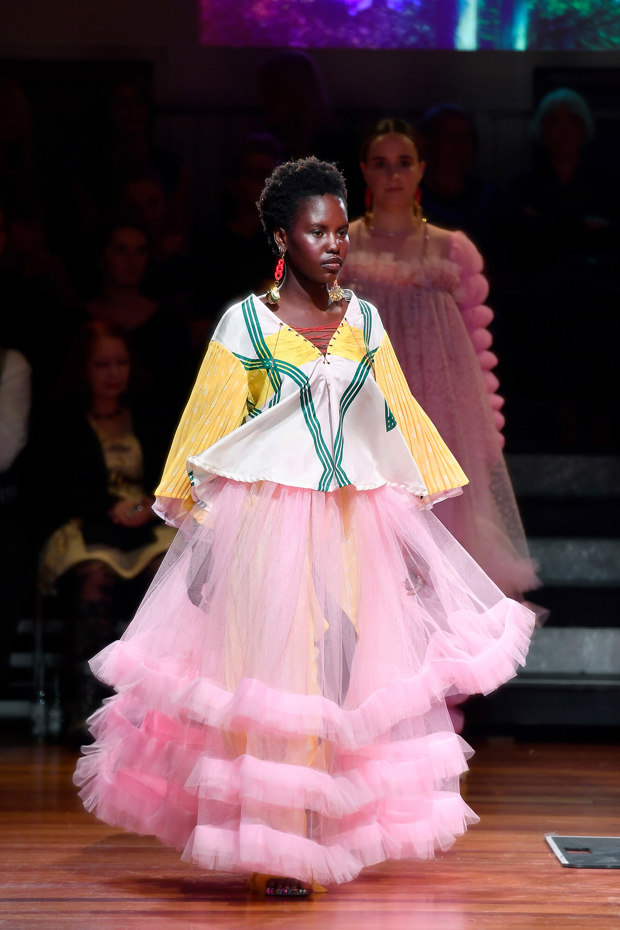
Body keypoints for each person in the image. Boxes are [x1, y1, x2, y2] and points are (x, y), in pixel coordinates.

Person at [74, 158, 535, 896]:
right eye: (316, 231)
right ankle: (278, 847)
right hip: (269, 522)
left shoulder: (365, 320)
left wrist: (418, 520)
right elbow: (209, 429)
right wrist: (199, 537)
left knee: (344, 672)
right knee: (278, 675)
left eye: (339, 230)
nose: (333, 244)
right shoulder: (247, 323)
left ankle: (322, 826)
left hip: (354, 517)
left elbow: (396, 416)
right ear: (282, 237)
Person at [341, 119, 539, 604]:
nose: (393, 175)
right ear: (364, 171)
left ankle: (441, 667)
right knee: (367, 528)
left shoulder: (453, 248)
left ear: (421, 170)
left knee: (440, 526)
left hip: (438, 406)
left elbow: (476, 343)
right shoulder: (341, 244)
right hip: (362, 402)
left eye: (404, 163)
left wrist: (483, 421)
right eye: (382, 164)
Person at [38, 320, 176, 740]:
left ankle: (158, 706)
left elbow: (173, 472)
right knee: (94, 580)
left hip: (145, 522)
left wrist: (146, 506)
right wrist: (107, 506)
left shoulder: (149, 415)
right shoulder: (61, 421)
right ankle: (84, 706)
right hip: (89, 526)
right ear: (84, 369)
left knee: (168, 579)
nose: (113, 373)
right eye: (102, 364)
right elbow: (52, 486)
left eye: (121, 362)